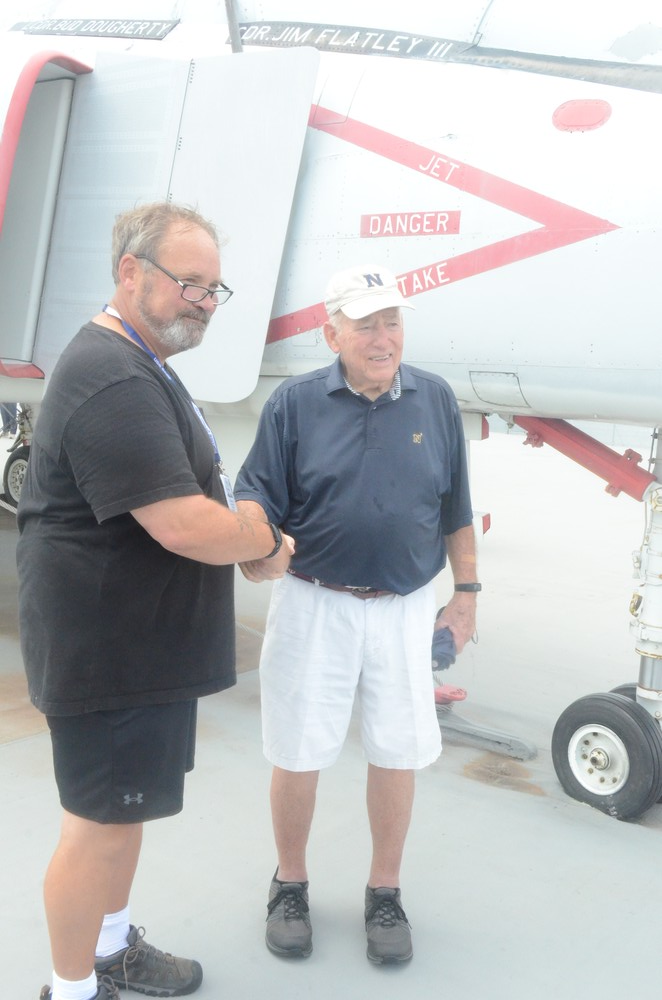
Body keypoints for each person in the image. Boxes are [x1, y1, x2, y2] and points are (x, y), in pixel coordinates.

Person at [16, 201, 294, 1000]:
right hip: (108, 655)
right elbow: (180, 523)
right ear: (130, 271)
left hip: (136, 650)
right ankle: (73, 989)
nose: (203, 303)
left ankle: (111, 951)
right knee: (96, 827)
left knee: (122, 815)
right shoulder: (111, 376)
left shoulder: (141, 362)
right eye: (188, 283)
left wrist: (239, 537)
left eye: (213, 289)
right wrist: (260, 539)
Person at [233, 263, 479, 965]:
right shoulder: (294, 404)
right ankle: (290, 884)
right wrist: (254, 546)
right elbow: (256, 495)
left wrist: (466, 593)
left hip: (404, 608)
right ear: (331, 334)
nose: (382, 338)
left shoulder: (434, 399)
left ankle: (385, 891)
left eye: (391, 321)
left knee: (397, 750)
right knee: (297, 749)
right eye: (365, 324)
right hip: (314, 602)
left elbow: (457, 507)